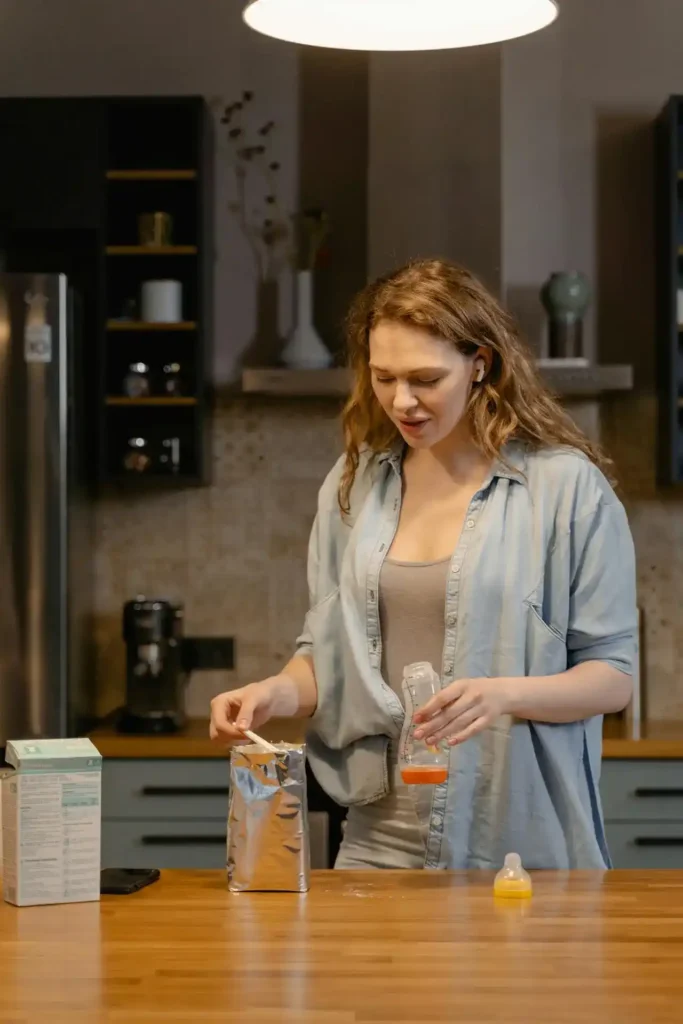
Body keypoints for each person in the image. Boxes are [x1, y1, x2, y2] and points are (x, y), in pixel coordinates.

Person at [210, 258, 637, 870]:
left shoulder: (565, 489)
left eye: (425, 378)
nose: (401, 401)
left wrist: (501, 695)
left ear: (480, 364)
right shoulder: (355, 485)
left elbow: (613, 677)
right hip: (376, 836)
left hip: (518, 840)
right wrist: (274, 692)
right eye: (383, 378)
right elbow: (328, 655)